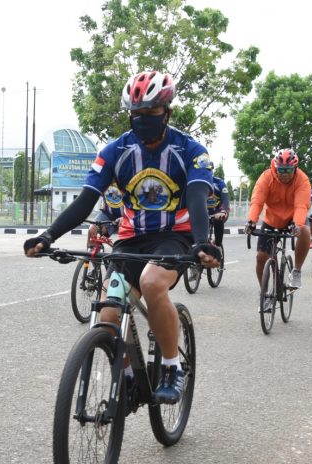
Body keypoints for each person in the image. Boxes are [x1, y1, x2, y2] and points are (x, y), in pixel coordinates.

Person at [24, 71, 220, 404]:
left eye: (151, 113)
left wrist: (202, 241)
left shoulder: (190, 150)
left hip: (174, 236)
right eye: (136, 114)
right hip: (130, 238)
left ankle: (172, 367)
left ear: (167, 112)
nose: (143, 120)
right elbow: (86, 199)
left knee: (153, 283)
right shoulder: (116, 151)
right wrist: (48, 234)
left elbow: (199, 196)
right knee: (109, 313)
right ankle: (129, 377)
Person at [244, 149, 312, 289]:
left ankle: (296, 271)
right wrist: (251, 221)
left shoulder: (302, 179)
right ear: (275, 167)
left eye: (289, 170)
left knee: (305, 231)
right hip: (272, 220)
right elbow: (257, 201)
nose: (285, 174)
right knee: (261, 257)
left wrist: (297, 225)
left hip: (293, 219)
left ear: (295, 168)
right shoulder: (266, 177)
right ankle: (264, 292)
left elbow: (301, 205)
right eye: (281, 170)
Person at [207, 176, 230, 248]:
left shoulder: (219, 182)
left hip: (220, 211)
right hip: (205, 213)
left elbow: (225, 199)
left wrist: (223, 211)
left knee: (218, 218)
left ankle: (218, 244)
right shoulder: (197, 182)